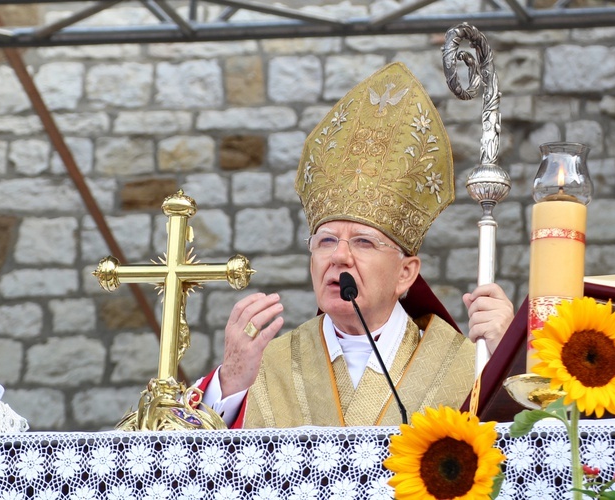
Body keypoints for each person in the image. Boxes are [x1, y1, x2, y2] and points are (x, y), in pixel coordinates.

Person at [197, 62, 514, 428]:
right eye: (326, 241)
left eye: (363, 242)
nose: (339, 256)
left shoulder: (467, 363)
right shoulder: (269, 364)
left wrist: (511, 358)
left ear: (406, 273)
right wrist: (232, 381)